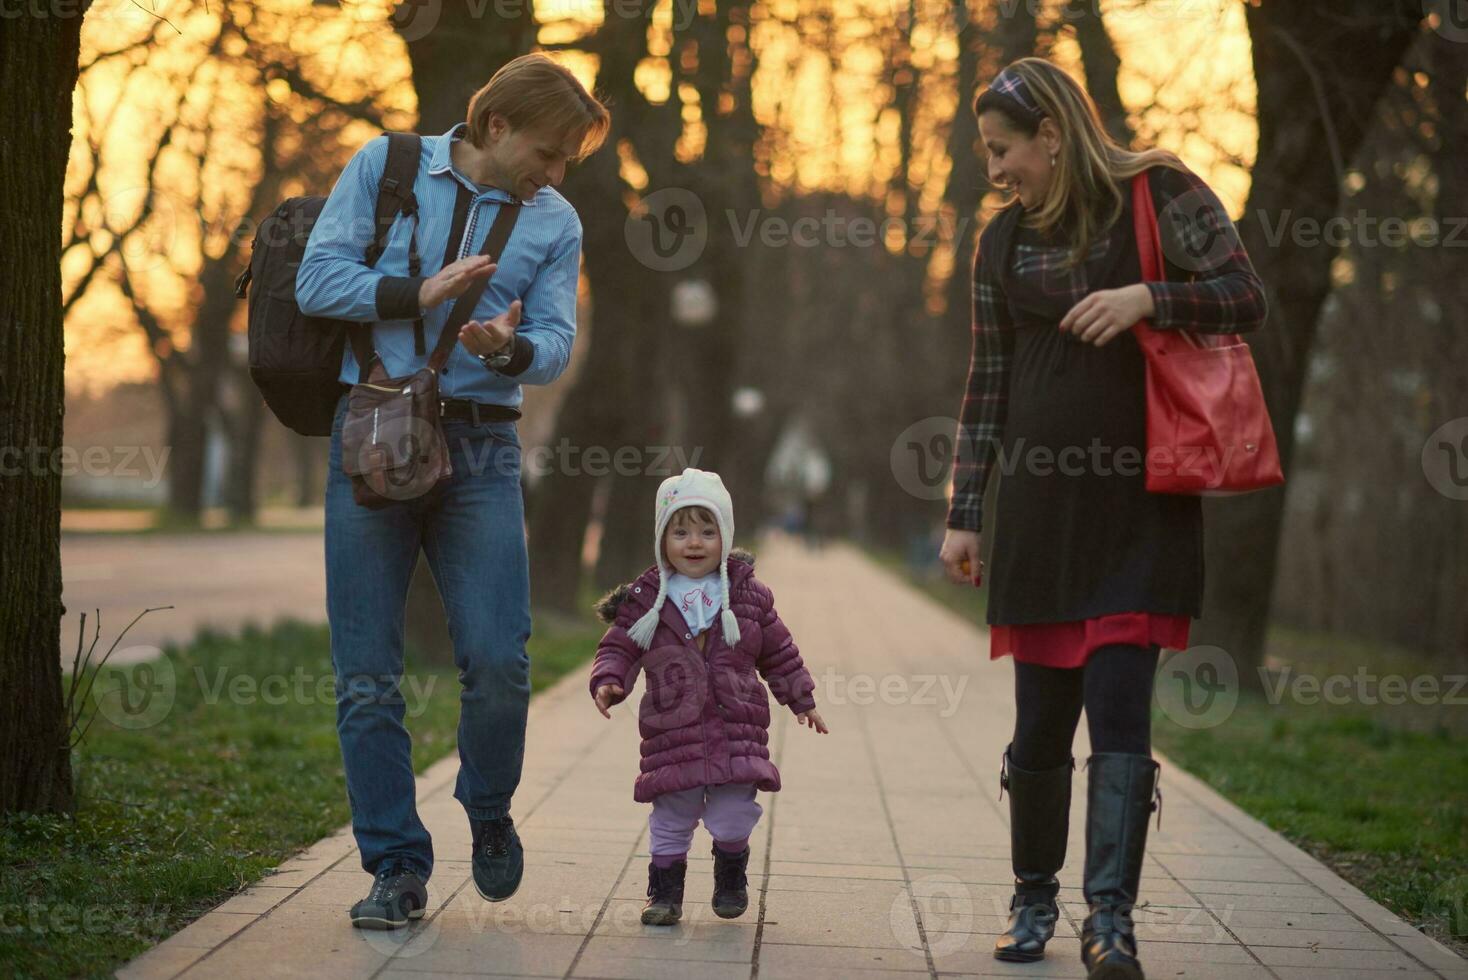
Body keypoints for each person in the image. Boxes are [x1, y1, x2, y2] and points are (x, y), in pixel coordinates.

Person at [937, 58, 1267, 980]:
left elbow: (1248, 294)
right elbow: (987, 382)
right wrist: (965, 512)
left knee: (1122, 714)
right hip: (1039, 512)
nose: (996, 171)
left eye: (1005, 151)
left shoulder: (1160, 193)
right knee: (1041, 723)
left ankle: (1110, 923)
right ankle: (1034, 900)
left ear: (1052, 134)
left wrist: (1148, 299)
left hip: (1141, 505)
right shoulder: (1000, 244)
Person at [294, 54, 609, 930]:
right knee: (365, 673)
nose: (554, 174)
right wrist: (416, 292)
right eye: (548, 153)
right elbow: (315, 281)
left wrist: (508, 349)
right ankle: (395, 866)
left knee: (500, 660)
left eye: (567, 164)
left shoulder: (555, 222)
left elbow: (554, 342)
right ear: (496, 125)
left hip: (482, 449)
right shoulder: (387, 167)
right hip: (374, 437)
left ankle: (488, 804)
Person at [588, 468, 828, 925]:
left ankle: (731, 875)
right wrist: (609, 680)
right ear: (663, 540)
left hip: (736, 727)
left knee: (734, 814)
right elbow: (619, 646)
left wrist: (802, 698)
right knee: (671, 816)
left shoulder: (747, 596)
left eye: (706, 530)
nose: (694, 542)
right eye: (680, 532)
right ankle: (664, 895)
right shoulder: (646, 600)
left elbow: (779, 651)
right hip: (671, 730)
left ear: (726, 535)